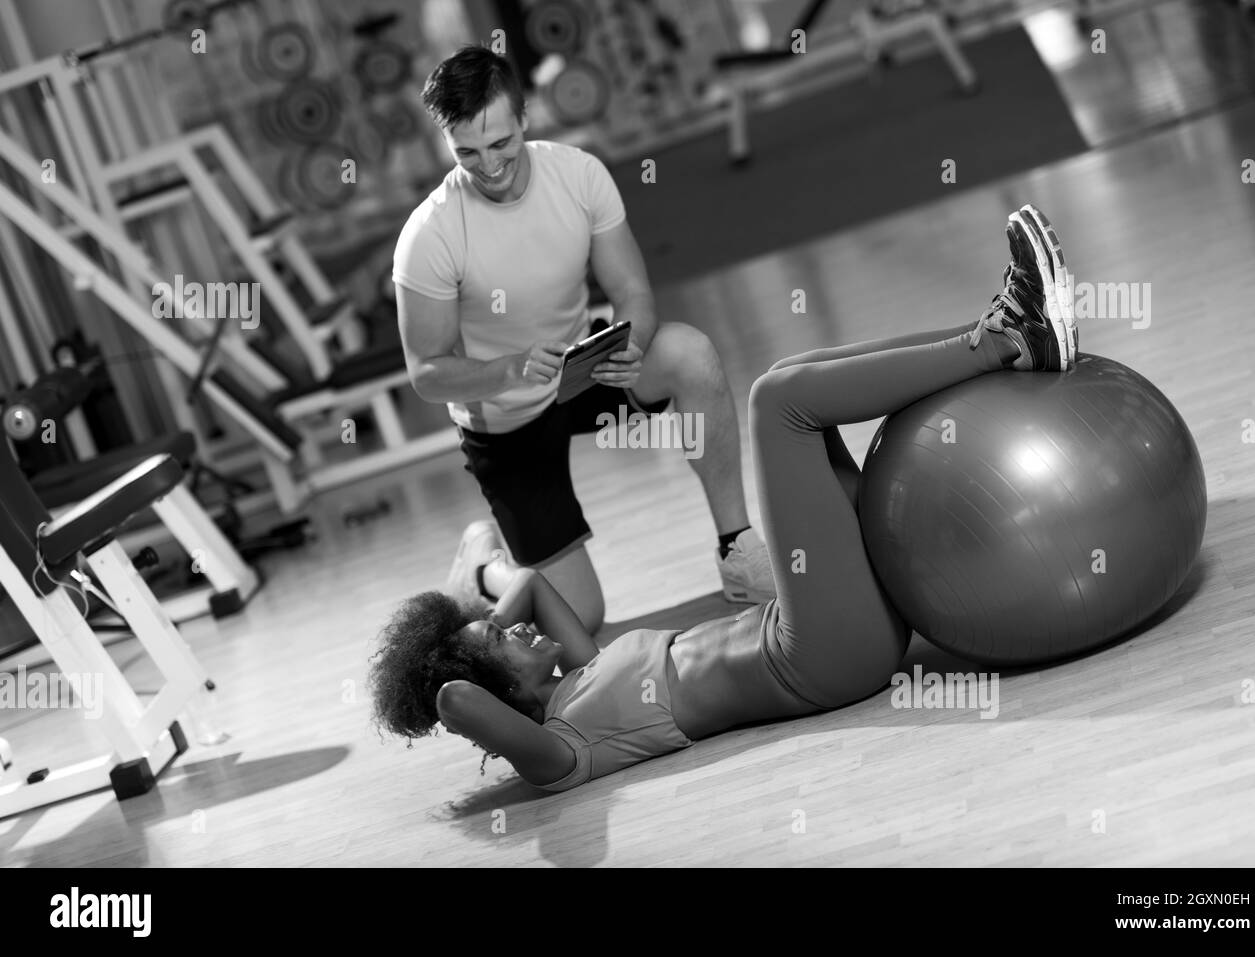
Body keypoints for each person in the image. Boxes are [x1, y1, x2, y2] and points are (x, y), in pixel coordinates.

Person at [370, 205, 1078, 792]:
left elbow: (527, 583)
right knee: (779, 403)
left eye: (504, 626)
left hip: (825, 627)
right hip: (821, 657)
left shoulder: (582, 667)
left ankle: (999, 327)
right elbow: (454, 699)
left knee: (791, 375)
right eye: (502, 640)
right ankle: (1010, 338)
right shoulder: (563, 746)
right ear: (499, 692)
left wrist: (477, 605)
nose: (514, 626)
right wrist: (459, 663)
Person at [392, 46, 777, 631]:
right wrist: (509, 370)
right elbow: (426, 372)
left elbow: (633, 296)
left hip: (583, 368)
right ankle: (481, 568)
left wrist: (635, 345)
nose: (489, 165)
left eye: (501, 144)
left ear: (524, 118)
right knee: (581, 619)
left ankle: (736, 549)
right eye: (467, 152)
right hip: (504, 420)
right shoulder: (430, 235)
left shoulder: (578, 174)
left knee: (689, 354)